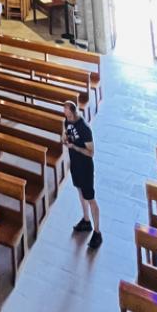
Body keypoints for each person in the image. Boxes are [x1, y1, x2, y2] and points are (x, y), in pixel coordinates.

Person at [63, 98, 102, 248]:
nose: (66, 117)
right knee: (79, 191)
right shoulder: (67, 121)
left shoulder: (84, 128)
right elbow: (64, 133)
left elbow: (91, 153)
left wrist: (75, 147)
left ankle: (98, 233)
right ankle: (86, 220)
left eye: (68, 113)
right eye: (64, 114)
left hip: (85, 166)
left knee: (90, 198)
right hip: (75, 164)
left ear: (73, 112)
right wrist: (64, 139)